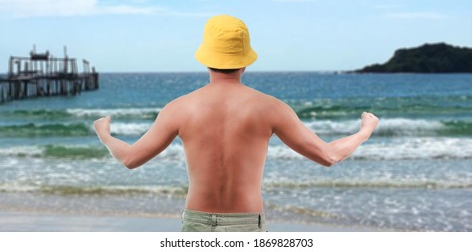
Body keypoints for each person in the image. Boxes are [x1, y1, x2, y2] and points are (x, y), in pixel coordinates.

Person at [93, 14, 379, 232]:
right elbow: (329, 155)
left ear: (206, 59)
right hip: (246, 226)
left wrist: (105, 135)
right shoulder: (271, 107)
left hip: (197, 225)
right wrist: (364, 131)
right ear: (245, 61)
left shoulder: (178, 108)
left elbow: (130, 159)